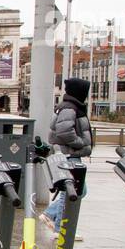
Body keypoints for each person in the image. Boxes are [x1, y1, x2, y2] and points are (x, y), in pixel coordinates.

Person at [41, 77, 93, 231]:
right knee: (70, 190)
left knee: (80, 190)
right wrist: (80, 143)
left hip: (69, 154)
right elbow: (64, 131)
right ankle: (60, 228)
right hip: (68, 155)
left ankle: (50, 215)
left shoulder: (70, 106)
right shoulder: (70, 108)